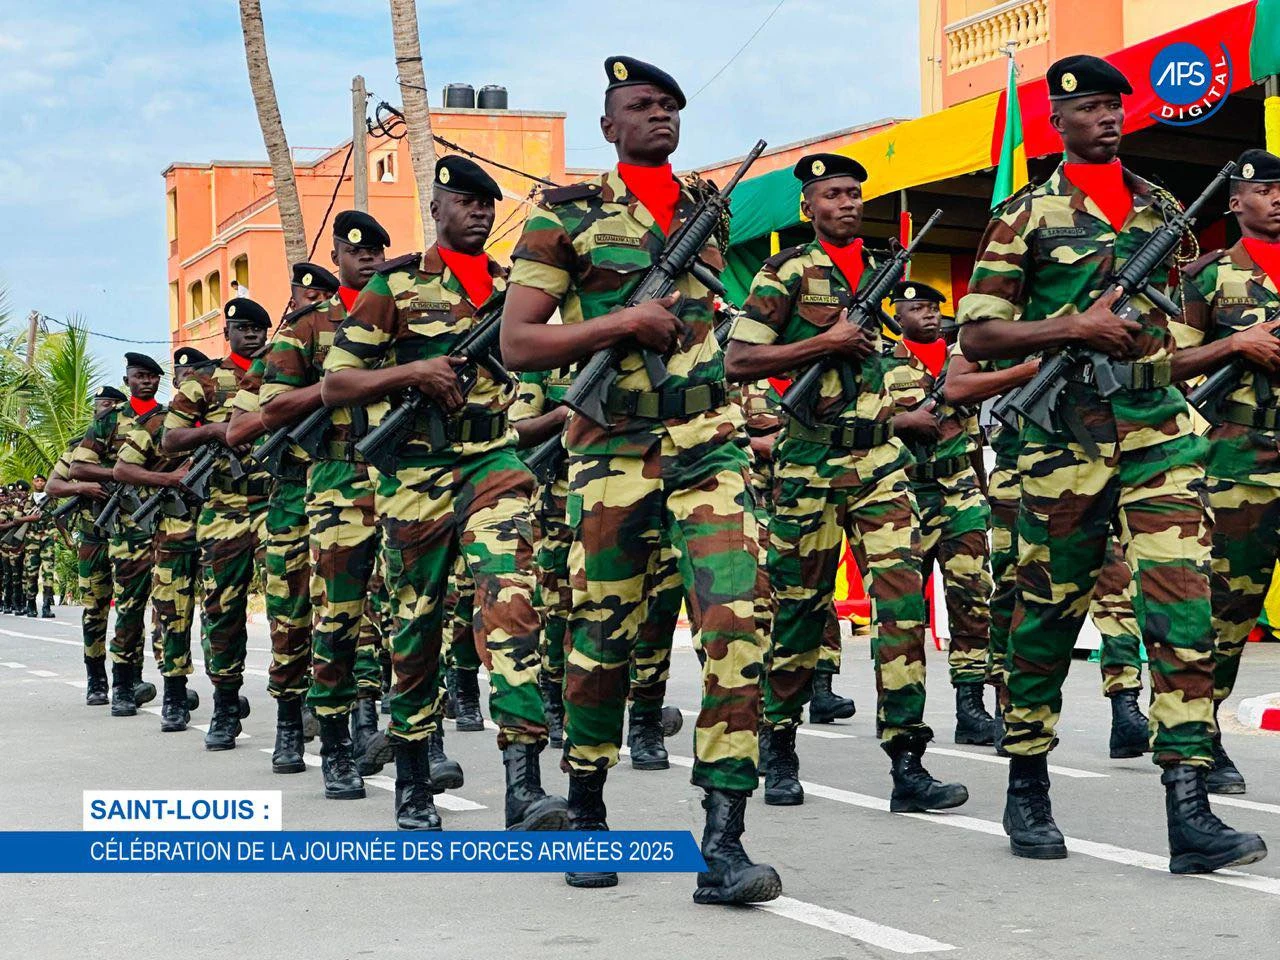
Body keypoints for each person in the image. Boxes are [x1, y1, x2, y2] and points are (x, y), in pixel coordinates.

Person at [957, 54, 1266, 873]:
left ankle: (1189, 808)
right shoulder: (1025, 217)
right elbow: (978, 337)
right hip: (1064, 440)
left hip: (1159, 430)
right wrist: (1070, 329)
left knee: (1184, 609)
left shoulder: (1162, 207)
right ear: (1056, 122)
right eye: (1089, 107)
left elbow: (1171, 327)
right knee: (1047, 620)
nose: (1107, 117)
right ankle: (1027, 781)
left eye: (1113, 106)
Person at [502, 57, 780, 904]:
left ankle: (723, 843)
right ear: (607, 126)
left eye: (669, 106)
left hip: (707, 442)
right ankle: (586, 811)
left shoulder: (705, 208)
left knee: (738, 621)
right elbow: (518, 342)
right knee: (602, 641)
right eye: (641, 105)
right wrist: (624, 319)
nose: (660, 116)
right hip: (613, 450)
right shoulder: (566, 213)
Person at [323, 157, 565, 833]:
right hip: (416, 479)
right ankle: (413, 780)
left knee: (512, 606)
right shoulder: (395, 284)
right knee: (417, 627)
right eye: (465, 201)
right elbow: (338, 382)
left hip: (495, 464)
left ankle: (525, 785)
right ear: (437, 209)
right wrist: (415, 370)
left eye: (488, 203)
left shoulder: (514, 286)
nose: (480, 211)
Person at [727, 152, 967, 816]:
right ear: (809, 206)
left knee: (902, 611)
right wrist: (821, 344)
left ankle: (908, 763)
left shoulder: (881, 269)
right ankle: (777, 747)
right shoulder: (786, 272)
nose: (848, 202)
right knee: (800, 613)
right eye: (833, 194)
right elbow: (740, 358)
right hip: (806, 463)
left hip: (879, 464)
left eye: (855, 193)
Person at [945, 355, 1152, 761]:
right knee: (1016, 593)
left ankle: (1125, 704)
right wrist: (1028, 368)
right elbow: (960, 386)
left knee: (1114, 587)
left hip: (1090, 467)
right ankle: (1012, 706)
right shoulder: (1005, 325)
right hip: (1016, 475)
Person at [257, 242, 407, 797]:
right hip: (338, 486)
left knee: (404, 612)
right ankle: (327, 740)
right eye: (355, 252)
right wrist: (335, 387)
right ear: (337, 258)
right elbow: (270, 409)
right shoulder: (308, 328)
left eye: (376, 251)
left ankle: (395, 732)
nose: (368, 260)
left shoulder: (402, 310)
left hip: (401, 482)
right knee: (337, 617)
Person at [1171, 148, 1280, 796]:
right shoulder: (1207, 279)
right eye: (1265, 189)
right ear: (1236, 202)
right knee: (1230, 610)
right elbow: (1171, 367)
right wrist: (1238, 344)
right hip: (1240, 464)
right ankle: (1203, 735)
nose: (1277, 198)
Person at [882, 281, 998, 745]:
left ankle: (971, 709)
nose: (929, 315)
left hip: (960, 492)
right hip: (904, 492)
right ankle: (897, 708)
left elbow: (972, 436)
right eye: (917, 308)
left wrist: (983, 494)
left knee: (972, 597)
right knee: (902, 608)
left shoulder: (960, 361)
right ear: (897, 314)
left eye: (934, 308)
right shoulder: (880, 362)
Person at [163, 300, 271, 750]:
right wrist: (214, 431)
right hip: (224, 509)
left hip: (278, 501)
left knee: (298, 602)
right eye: (242, 328)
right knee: (223, 610)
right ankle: (226, 705)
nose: (251, 335)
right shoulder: (204, 383)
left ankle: (303, 704)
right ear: (227, 332)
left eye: (258, 328)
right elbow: (170, 439)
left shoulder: (283, 369)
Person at [114, 349, 209, 731]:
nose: (192, 382)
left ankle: (226, 692)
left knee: (222, 616)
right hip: (174, 533)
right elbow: (123, 468)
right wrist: (170, 480)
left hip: (223, 529)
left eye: (198, 375)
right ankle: (173, 693)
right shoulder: (157, 423)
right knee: (173, 615)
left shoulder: (226, 419)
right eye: (184, 375)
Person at [71, 353, 165, 717]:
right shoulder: (110, 420)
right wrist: (120, 474)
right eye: (139, 376)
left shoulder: (169, 418)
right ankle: (107, 680)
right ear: (127, 381)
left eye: (152, 376)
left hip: (154, 525)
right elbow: (79, 466)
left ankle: (138, 682)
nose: (146, 381)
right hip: (112, 525)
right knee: (111, 606)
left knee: (149, 607)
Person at [48, 387, 123, 703]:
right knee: (94, 608)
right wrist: (84, 487)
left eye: (107, 405)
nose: (100, 411)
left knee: (131, 608)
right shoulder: (79, 448)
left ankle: (126, 680)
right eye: (97, 406)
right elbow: (53, 485)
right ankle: (96, 679)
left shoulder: (130, 445)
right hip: (92, 537)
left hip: (128, 535)